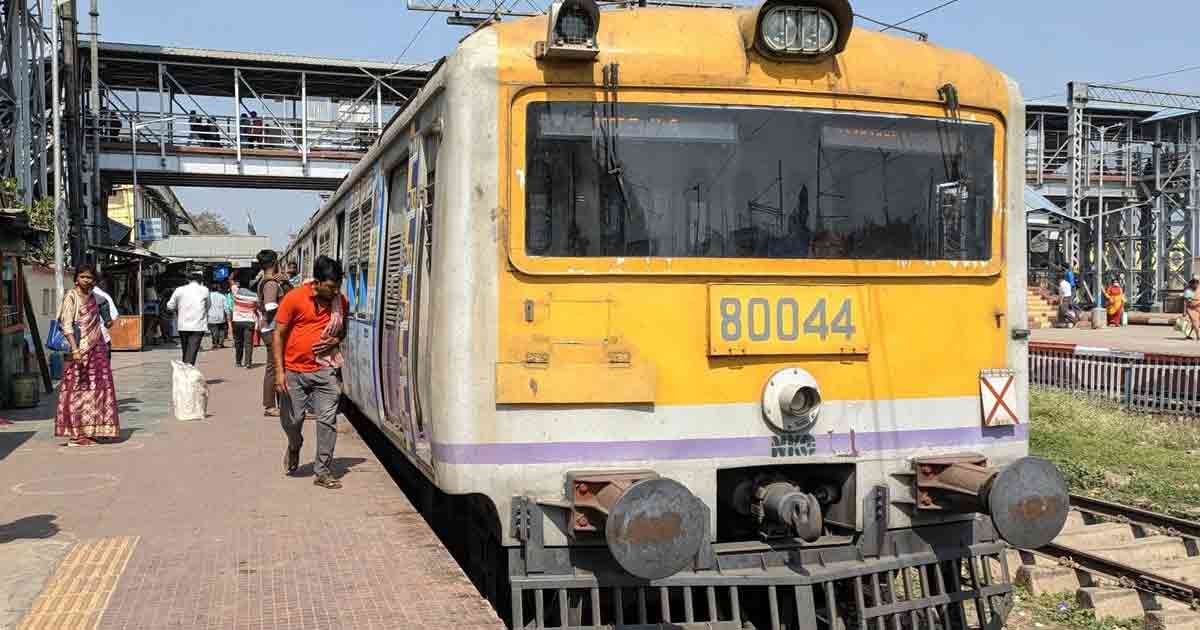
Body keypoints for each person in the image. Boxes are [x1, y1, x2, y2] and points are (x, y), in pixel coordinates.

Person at [275, 256, 347, 489]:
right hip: (294, 370)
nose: (335, 290)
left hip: (325, 370)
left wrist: (335, 339)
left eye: (338, 286)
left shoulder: (340, 301)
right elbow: (279, 334)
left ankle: (323, 471)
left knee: (327, 420)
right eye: (330, 286)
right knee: (293, 420)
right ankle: (294, 444)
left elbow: (343, 330)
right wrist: (279, 372)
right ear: (317, 282)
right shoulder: (294, 298)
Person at [55, 265, 121, 447]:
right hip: (79, 351)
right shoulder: (71, 297)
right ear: (76, 279)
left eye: (90, 278)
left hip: (97, 350)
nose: (86, 280)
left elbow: (108, 316)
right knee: (77, 390)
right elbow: (66, 326)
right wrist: (75, 350)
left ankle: (93, 430)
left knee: (98, 389)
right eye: (83, 277)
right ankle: (76, 434)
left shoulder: (95, 297)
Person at [256, 250, 292, 417]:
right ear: (275, 263)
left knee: (274, 366)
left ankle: (275, 404)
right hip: (272, 329)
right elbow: (270, 306)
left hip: (268, 328)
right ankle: (270, 406)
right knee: (273, 367)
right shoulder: (271, 284)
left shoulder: (266, 281)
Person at [167, 272, 211, 365]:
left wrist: (178, 309)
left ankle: (185, 371)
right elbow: (208, 306)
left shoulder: (179, 290)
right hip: (198, 325)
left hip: (183, 325)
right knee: (192, 350)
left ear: (188, 280)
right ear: (200, 281)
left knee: (186, 350)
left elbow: (170, 305)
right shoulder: (204, 290)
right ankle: (187, 370)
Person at [230, 277, 259, 368]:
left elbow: (230, 279)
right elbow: (257, 307)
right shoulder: (255, 296)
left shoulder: (236, 292)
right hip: (249, 321)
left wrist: (236, 272)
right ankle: (248, 363)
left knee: (238, 342)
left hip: (237, 321)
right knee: (248, 343)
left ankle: (238, 362)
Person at [208, 283, 229, 349]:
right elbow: (226, 307)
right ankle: (220, 343)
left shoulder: (208, 296)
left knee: (214, 331)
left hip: (211, 316)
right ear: (218, 289)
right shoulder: (222, 296)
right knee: (221, 331)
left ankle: (215, 343)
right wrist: (228, 314)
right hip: (221, 316)